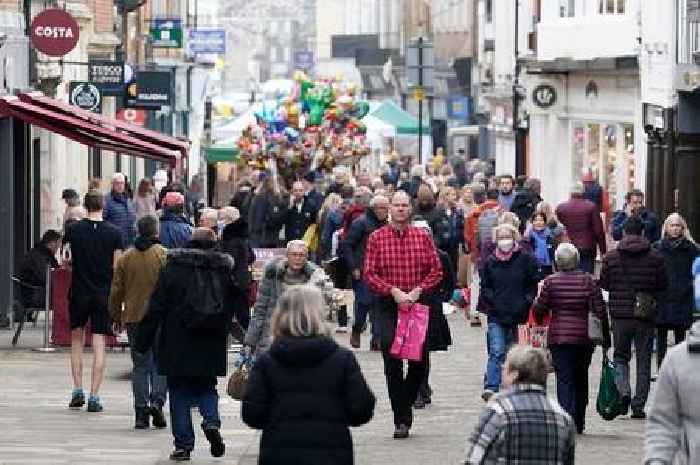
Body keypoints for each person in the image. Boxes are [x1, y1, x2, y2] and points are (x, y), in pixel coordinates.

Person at [134, 228, 239, 461]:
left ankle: (183, 444)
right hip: (210, 339)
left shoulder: (173, 268)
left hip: (177, 340)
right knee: (206, 387)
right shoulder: (223, 270)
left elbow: (156, 306)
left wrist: (143, 340)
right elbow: (235, 302)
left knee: (179, 391)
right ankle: (211, 421)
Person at [241, 285, 376, 465]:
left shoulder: (267, 362)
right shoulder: (342, 360)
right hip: (332, 452)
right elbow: (362, 409)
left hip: (279, 452)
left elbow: (252, 414)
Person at [363, 191, 443, 439]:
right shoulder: (377, 238)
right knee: (391, 357)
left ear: (411, 208)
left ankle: (405, 400)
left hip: (417, 304)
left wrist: (418, 291)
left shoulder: (422, 236)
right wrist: (393, 291)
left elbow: (436, 270)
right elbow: (369, 273)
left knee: (419, 362)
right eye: (395, 205)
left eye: (404, 205)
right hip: (389, 304)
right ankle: (401, 419)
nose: (400, 209)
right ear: (389, 209)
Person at [535, 243, 611, 434]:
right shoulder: (589, 281)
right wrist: (605, 338)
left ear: (557, 262)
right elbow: (600, 310)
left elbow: (540, 308)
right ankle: (579, 419)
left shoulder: (550, 282)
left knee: (564, 379)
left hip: (559, 338)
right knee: (580, 377)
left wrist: (539, 316)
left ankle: (566, 419)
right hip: (584, 338)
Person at [600, 216, 668, 419]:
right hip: (645, 315)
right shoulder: (655, 257)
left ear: (623, 233)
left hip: (620, 315)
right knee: (644, 359)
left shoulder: (611, 257)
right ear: (643, 233)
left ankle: (624, 392)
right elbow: (663, 284)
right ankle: (639, 406)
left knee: (620, 356)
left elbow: (604, 283)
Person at [63, 190, 124, 412]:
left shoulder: (73, 230)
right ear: (103, 206)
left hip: (79, 291)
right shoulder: (115, 233)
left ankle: (77, 389)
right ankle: (94, 396)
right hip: (103, 293)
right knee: (99, 343)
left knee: (76, 341)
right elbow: (118, 267)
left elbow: (66, 260)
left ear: (86, 206)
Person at [464, 346, 576, 465]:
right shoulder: (563, 418)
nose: (502, 369)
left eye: (505, 368)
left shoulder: (498, 412)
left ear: (514, 375)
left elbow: (473, 459)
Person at [108, 215, 167, 430]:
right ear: (156, 232)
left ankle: (141, 412)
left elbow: (116, 290)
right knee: (161, 363)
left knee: (140, 366)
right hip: (159, 318)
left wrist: (115, 315)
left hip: (134, 318)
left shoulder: (126, 257)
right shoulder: (163, 255)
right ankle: (157, 402)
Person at [479, 223, 539, 401]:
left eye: (508, 237)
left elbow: (533, 282)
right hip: (496, 313)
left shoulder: (525, 259)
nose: (505, 241)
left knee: (515, 353)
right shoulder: (491, 262)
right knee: (496, 351)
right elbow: (485, 286)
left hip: (519, 314)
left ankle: (514, 385)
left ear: (514, 238)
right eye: (501, 237)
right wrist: (493, 301)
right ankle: (491, 386)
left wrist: (527, 301)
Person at [245, 240, 333, 354]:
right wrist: (250, 341)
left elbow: (321, 314)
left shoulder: (315, 279)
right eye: (294, 254)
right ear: (287, 256)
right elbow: (260, 310)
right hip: (272, 336)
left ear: (307, 257)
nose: (298, 258)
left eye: (301, 255)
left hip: (303, 338)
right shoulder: (272, 275)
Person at [341, 194, 389, 349]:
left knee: (378, 305)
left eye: (385, 208)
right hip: (362, 270)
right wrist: (353, 267)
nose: (383, 211)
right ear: (373, 208)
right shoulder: (360, 223)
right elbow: (347, 245)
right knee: (364, 302)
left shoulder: (388, 224)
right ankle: (357, 329)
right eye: (380, 208)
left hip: (381, 271)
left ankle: (377, 339)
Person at [652, 213, 699, 369]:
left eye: (678, 225)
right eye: (672, 225)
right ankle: (661, 367)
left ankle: (679, 369)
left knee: (681, 337)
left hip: (682, 297)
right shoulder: (657, 248)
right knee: (661, 336)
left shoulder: (691, 249)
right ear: (666, 227)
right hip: (663, 297)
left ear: (683, 228)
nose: (675, 228)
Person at [555, 182, 606, 274]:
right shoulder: (591, 207)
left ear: (570, 193)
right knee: (586, 275)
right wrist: (603, 250)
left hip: (567, 246)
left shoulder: (561, 208)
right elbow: (598, 230)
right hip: (587, 246)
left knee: (567, 274)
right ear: (583, 192)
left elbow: (558, 228)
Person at [219, 206, 254, 332]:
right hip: (242, 281)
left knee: (240, 316)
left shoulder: (232, 239)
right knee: (242, 314)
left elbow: (229, 260)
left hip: (235, 282)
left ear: (229, 220)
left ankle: (249, 341)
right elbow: (251, 257)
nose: (219, 221)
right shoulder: (242, 236)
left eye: (221, 218)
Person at [17, 230, 61, 316]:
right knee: (68, 297)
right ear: (51, 243)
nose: (58, 247)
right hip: (35, 295)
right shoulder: (40, 257)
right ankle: (68, 326)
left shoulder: (41, 254)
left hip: (37, 292)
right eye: (58, 244)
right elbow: (47, 278)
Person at [248, 175, 288, 248]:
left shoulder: (257, 197)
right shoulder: (270, 199)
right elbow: (273, 218)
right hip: (267, 237)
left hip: (256, 237)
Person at [103, 172, 137, 247]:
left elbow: (133, 216)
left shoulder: (128, 199)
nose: (120, 185)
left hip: (129, 239)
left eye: (122, 183)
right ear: (112, 184)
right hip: (114, 241)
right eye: (117, 183)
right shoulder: (106, 200)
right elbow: (103, 220)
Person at [524, 211, 556, 279]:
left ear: (545, 222)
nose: (538, 223)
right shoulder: (527, 238)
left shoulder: (550, 236)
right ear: (532, 222)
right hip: (533, 268)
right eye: (536, 220)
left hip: (548, 268)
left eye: (541, 220)